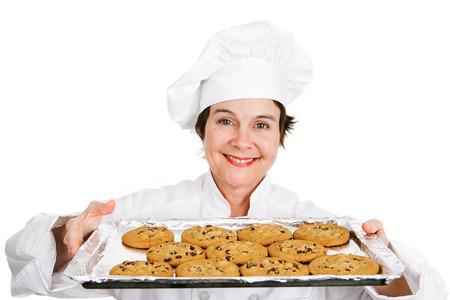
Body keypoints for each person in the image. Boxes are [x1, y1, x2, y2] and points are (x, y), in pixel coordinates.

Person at [5, 21, 447, 300]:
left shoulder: (319, 229)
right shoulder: (145, 217)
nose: (241, 141)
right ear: (202, 129)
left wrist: (386, 262)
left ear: (279, 135)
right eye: (225, 120)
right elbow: (23, 252)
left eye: (261, 125)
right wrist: (70, 233)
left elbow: (411, 294)